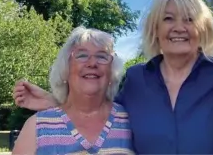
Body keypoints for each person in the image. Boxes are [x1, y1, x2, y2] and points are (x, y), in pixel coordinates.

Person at [14, 0, 213, 154]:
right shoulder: (137, 78)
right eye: (168, 19)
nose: (178, 28)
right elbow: (100, 114)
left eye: (189, 19)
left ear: (203, 28)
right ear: (155, 29)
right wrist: (54, 102)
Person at [12, 27, 134, 155]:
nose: (92, 63)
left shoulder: (131, 121)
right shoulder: (37, 127)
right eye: (82, 55)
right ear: (65, 69)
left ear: (112, 72)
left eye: (102, 57)